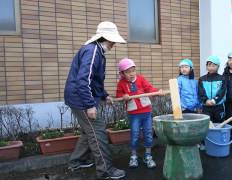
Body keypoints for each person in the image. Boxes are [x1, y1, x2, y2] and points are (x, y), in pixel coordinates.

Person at [64, 21, 126, 179]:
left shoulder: (96, 51)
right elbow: (83, 80)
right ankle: (105, 170)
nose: (114, 44)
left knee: (88, 131)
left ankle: (77, 161)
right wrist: (90, 105)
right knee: (98, 132)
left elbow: (95, 81)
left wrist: (104, 95)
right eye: (113, 41)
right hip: (81, 100)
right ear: (106, 38)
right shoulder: (92, 51)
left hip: (77, 98)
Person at [116, 58, 162, 169]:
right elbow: (118, 96)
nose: (131, 74)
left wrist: (157, 92)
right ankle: (133, 157)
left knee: (148, 133)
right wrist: (124, 97)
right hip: (134, 114)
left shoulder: (141, 79)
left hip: (146, 112)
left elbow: (149, 88)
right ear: (122, 74)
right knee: (135, 135)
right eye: (128, 72)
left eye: (133, 70)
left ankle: (148, 156)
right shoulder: (122, 83)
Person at [198, 55, 226, 123]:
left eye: (214, 65)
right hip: (206, 106)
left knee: (219, 124)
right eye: (209, 65)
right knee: (207, 125)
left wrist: (214, 100)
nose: (211, 67)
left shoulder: (222, 78)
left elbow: (222, 91)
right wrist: (206, 100)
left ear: (218, 66)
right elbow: (201, 92)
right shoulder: (202, 79)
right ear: (206, 66)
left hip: (218, 106)